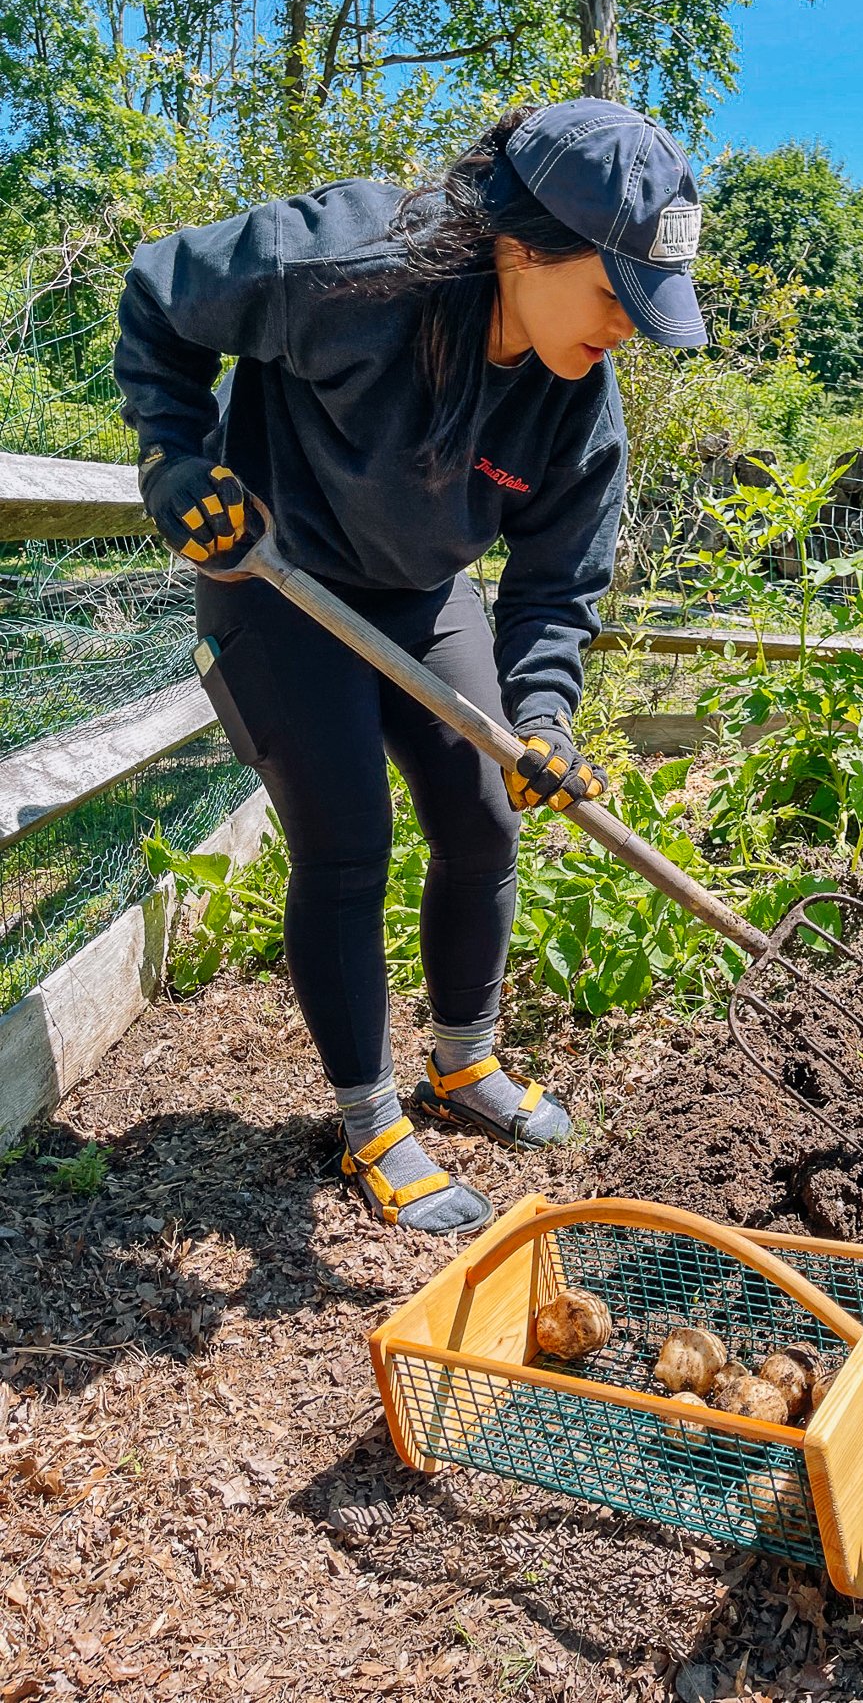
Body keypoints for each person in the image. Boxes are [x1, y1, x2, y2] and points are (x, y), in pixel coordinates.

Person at [113, 98, 707, 1235]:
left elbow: (556, 582)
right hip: (275, 576)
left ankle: (461, 1064)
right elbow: (159, 294)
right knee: (347, 842)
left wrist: (543, 712)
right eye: (611, 297)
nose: (624, 331)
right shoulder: (341, 263)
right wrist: (174, 456)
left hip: (425, 592)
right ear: (519, 247)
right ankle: (370, 1118)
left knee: (484, 814)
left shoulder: (576, 398)